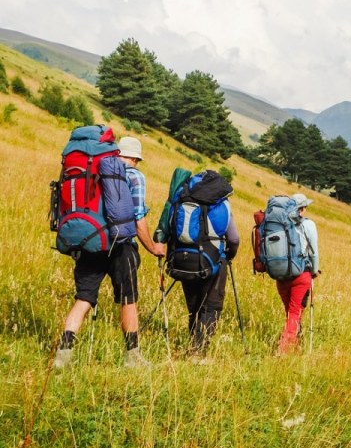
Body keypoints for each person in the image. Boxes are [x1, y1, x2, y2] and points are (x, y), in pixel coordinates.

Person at [53, 136, 165, 369]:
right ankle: (132, 357)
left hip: (91, 242)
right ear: (135, 157)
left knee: (84, 298)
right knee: (128, 300)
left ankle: (63, 355)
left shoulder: (94, 170)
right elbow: (138, 219)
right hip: (121, 247)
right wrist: (153, 248)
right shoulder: (135, 176)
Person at [179, 199, 241, 357]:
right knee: (211, 307)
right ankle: (198, 352)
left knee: (194, 308)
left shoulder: (184, 201)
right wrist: (228, 256)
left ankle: (192, 344)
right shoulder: (222, 204)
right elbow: (233, 239)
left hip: (185, 261)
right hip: (213, 261)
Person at [276, 193, 320, 354]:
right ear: (302, 208)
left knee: (290, 311)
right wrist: (314, 271)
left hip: (281, 274)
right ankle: (284, 349)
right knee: (295, 312)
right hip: (301, 273)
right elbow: (314, 252)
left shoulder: (279, 224)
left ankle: (294, 342)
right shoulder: (308, 225)